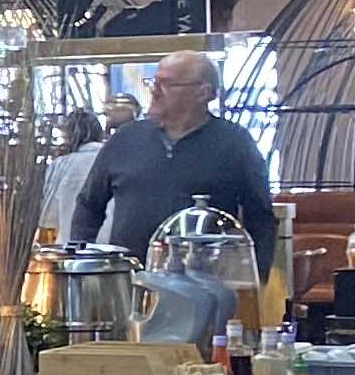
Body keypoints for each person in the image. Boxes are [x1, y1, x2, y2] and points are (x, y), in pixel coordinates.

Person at [72, 54, 278, 279]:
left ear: (203, 93)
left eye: (167, 84)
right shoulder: (125, 139)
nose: (155, 91)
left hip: (206, 285)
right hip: (129, 282)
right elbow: (88, 206)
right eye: (154, 82)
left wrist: (256, 277)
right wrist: (83, 267)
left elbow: (260, 218)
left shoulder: (234, 143)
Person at [37, 107, 105, 247]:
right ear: (100, 133)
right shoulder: (112, 160)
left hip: (70, 248)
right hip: (109, 249)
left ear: (68, 136)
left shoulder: (61, 165)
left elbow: (47, 217)